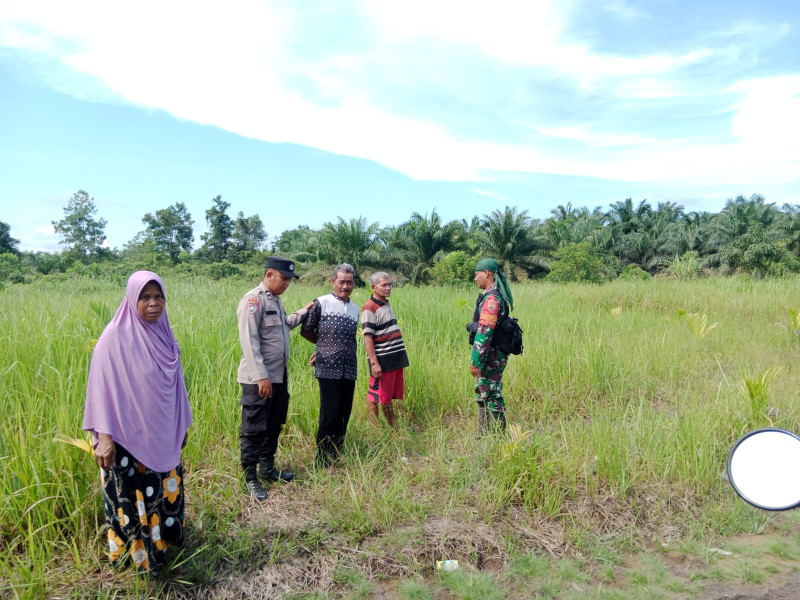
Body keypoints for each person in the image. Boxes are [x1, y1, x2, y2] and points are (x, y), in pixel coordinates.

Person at [83, 271, 193, 575]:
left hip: (162, 434)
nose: (153, 303)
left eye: (158, 297)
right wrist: (103, 437)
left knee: (162, 491)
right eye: (145, 297)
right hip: (126, 437)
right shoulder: (113, 338)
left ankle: (164, 545)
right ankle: (136, 555)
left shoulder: (165, 334)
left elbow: (176, 386)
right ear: (133, 299)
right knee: (131, 496)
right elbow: (100, 389)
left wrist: (181, 424)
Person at [236, 256, 312, 501]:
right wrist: (261, 376)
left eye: (290, 279)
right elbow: (249, 341)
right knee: (253, 428)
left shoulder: (276, 301)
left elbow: (284, 325)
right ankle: (250, 478)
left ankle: (267, 469)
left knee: (273, 424)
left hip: (278, 377)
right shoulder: (253, 301)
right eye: (284, 278)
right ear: (269, 274)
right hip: (259, 379)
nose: (287, 283)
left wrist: (304, 311)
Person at [301, 263, 360, 466]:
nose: (345, 286)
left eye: (349, 282)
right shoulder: (321, 303)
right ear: (333, 281)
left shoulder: (355, 309)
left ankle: (337, 452)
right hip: (328, 367)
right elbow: (306, 329)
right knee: (330, 414)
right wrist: (323, 346)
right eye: (341, 282)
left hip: (349, 367)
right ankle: (322, 458)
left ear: (354, 284)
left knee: (345, 412)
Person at [468, 258, 514, 435]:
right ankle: (483, 433)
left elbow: (484, 332)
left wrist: (476, 360)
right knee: (482, 391)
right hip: (490, 354)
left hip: (490, 356)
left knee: (492, 394)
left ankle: (498, 437)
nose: (475, 279)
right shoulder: (489, 296)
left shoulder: (492, 300)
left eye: (476, 274)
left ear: (486, 273)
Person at [360, 271, 409, 431]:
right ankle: (377, 430)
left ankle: (392, 427)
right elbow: (368, 337)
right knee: (375, 395)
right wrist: (374, 363)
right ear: (373, 287)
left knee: (387, 397)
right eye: (384, 285)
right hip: (382, 361)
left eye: (389, 284)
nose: (388, 288)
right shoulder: (369, 307)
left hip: (394, 359)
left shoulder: (385, 304)